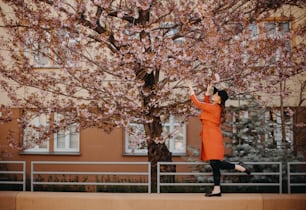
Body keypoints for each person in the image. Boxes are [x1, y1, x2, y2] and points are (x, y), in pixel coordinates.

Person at [187, 82, 251, 197]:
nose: (213, 95)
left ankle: (239, 167)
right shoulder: (214, 107)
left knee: (215, 162)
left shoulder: (214, 108)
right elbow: (206, 105)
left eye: (216, 95)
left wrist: (191, 88)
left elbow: (198, 103)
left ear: (220, 100)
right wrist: (207, 92)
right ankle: (217, 189)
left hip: (212, 137)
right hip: (210, 136)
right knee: (214, 164)